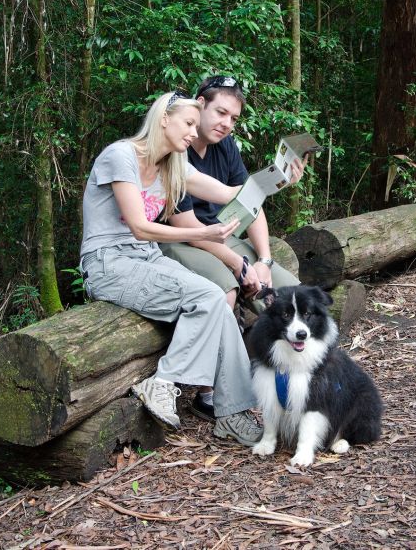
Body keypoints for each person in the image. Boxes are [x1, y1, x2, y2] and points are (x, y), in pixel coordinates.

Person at [79, 91, 264, 447]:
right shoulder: (122, 156)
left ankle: (232, 413)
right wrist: (201, 232)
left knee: (220, 308)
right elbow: (139, 226)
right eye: (189, 123)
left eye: (197, 126)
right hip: (108, 262)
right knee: (209, 298)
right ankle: (164, 382)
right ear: (164, 118)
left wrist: (279, 178)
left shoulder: (173, 165)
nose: (195, 133)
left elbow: (230, 193)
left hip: (146, 259)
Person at [158, 77, 305, 421]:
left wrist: (264, 260)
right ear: (199, 105)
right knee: (222, 290)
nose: (226, 123)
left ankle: (294, 381)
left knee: (293, 295)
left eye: (234, 118)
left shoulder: (226, 147)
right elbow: (187, 229)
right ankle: (209, 393)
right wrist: (239, 265)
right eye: (220, 112)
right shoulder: (178, 148)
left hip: (224, 234)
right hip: (184, 238)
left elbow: (249, 201)